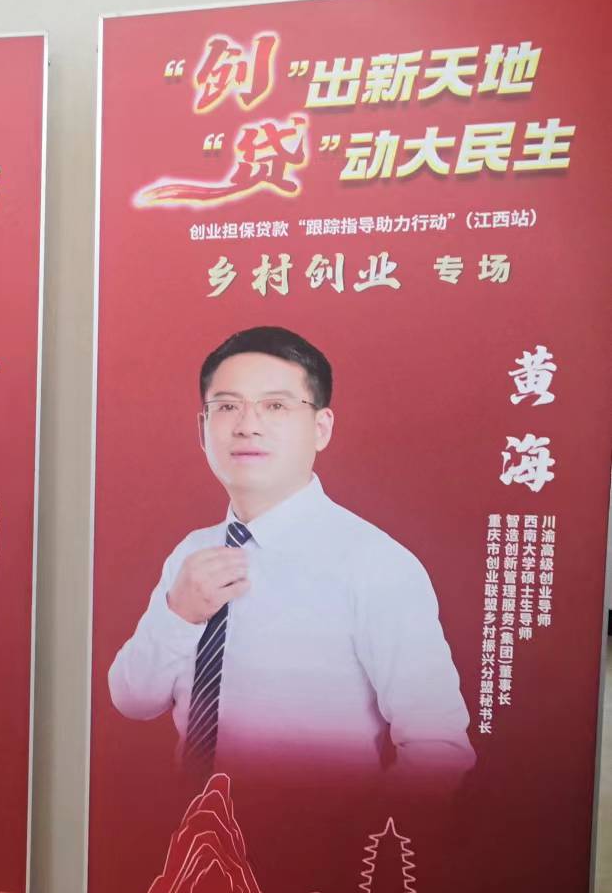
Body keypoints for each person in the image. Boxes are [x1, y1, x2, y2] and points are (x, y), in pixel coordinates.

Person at [108, 326, 473, 782]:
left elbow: (438, 745)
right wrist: (178, 615)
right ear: (203, 429)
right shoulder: (193, 552)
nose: (247, 425)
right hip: (188, 823)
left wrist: (355, 827)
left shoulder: (376, 564)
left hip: (317, 823)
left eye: (276, 406)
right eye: (226, 406)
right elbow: (133, 700)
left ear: (321, 428)